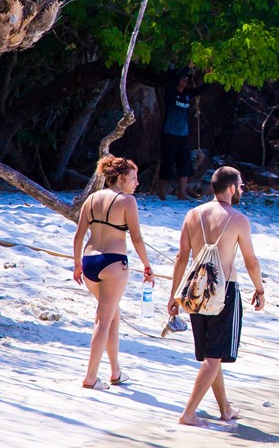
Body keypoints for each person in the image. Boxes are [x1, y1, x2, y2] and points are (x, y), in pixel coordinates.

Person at [167, 166, 266, 427]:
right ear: (231, 188)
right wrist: (260, 289)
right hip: (224, 292)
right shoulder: (238, 219)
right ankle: (189, 413)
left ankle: (225, 409)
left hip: (195, 292)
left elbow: (181, 258)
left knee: (213, 354)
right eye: (241, 186)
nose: (242, 190)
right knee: (214, 357)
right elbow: (251, 261)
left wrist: (173, 295)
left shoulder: (192, 214)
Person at [71, 155, 154, 390]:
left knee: (112, 315)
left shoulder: (92, 199)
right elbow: (136, 238)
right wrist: (148, 266)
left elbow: (79, 236)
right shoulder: (127, 201)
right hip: (113, 262)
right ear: (121, 177)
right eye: (134, 178)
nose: (137, 183)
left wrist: (77, 264)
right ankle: (90, 377)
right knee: (103, 319)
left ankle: (116, 372)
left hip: (89, 261)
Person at [159, 66, 211, 201]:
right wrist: (188, 67)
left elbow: (202, 90)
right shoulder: (170, 93)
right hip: (169, 134)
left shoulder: (186, 94)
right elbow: (173, 80)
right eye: (183, 78)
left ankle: (181, 194)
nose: (185, 80)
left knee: (184, 164)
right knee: (167, 163)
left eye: (186, 78)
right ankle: (162, 194)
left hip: (183, 135)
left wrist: (210, 76)